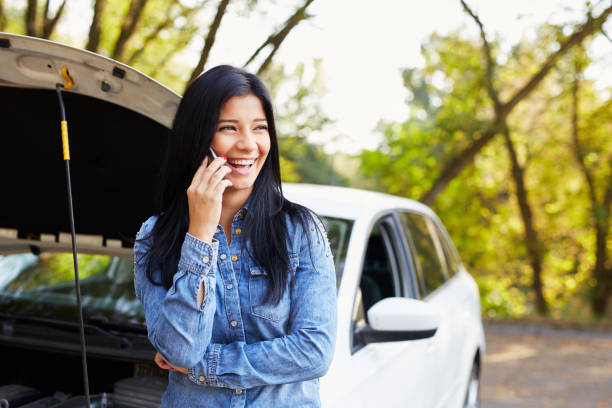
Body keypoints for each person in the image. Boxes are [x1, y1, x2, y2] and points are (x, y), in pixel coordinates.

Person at [133, 65, 337, 407]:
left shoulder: (301, 230)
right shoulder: (155, 236)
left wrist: (207, 366)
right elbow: (181, 349)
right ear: (198, 137)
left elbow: (314, 351)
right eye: (229, 128)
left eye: (260, 128)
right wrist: (199, 235)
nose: (248, 144)